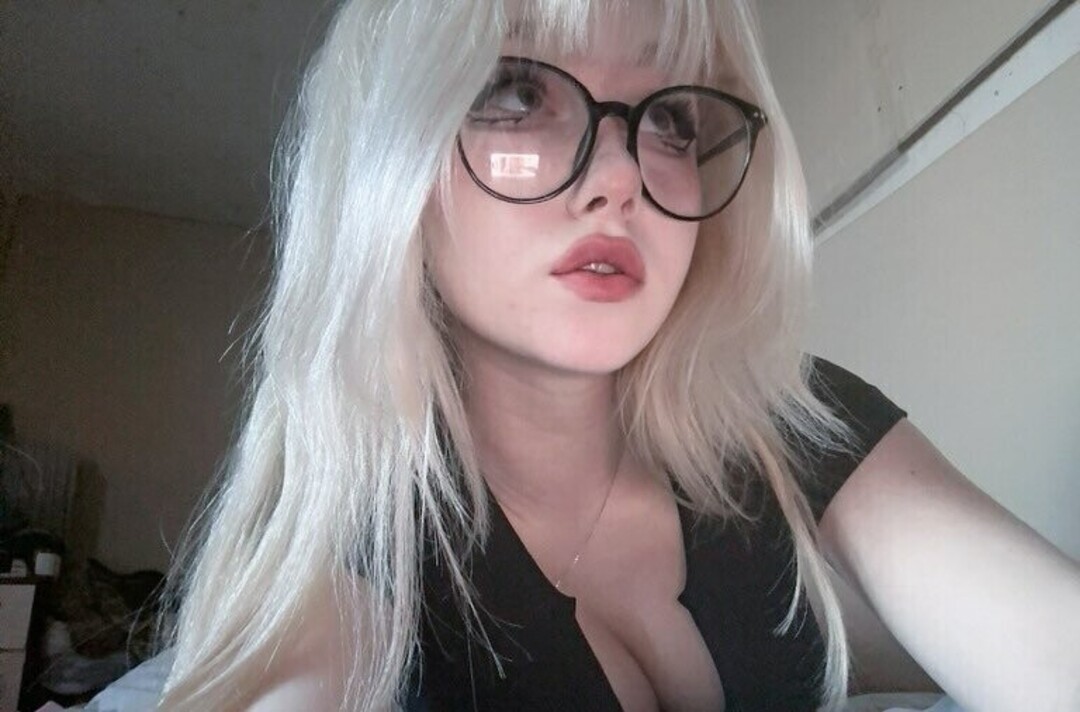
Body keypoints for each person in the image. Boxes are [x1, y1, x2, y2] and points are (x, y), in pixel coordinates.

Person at [155, 1, 1080, 711]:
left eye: (670, 118)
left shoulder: (791, 421)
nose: (620, 175)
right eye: (517, 93)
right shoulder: (358, 552)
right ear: (391, 160)